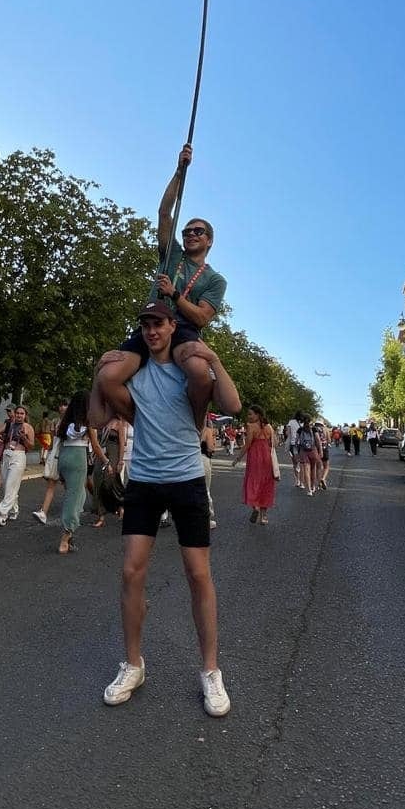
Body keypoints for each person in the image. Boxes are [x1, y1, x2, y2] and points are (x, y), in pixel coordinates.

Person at [101, 301, 240, 717]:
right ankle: (133, 664)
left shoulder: (189, 374)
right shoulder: (134, 374)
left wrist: (212, 356)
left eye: (157, 323)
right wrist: (98, 371)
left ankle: (211, 671)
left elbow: (232, 405)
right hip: (144, 480)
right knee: (130, 572)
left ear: (171, 325)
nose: (151, 331)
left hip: (186, 480)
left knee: (198, 575)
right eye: (144, 324)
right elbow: (101, 410)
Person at [90, 146, 228, 431]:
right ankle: (140, 422)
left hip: (183, 330)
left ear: (210, 240)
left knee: (200, 371)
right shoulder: (171, 256)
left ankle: (197, 419)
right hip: (152, 324)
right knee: (108, 376)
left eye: (198, 231)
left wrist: (175, 295)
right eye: (187, 231)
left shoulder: (215, 280)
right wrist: (180, 171)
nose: (190, 234)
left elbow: (202, 318)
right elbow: (164, 212)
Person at [54, 392, 91, 554]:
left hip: (64, 456)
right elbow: (95, 445)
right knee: (74, 498)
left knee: (79, 495)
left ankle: (70, 537)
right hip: (77, 457)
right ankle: (66, 536)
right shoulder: (87, 423)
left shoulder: (64, 423)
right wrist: (105, 461)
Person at [0, 404, 36, 526]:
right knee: (8, 485)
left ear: (25, 415)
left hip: (18, 456)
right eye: (17, 413)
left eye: (22, 413)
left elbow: (31, 446)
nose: (19, 415)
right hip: (6, 454)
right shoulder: (9, 424)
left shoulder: (28, 427)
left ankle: (3, 514)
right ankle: (14, 510)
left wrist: (24, 438)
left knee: (11, 484)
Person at [235, 405, 277, 524]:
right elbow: (275, 443)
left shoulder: (251, 427)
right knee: (266, 484)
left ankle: (256, 507)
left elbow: (247, 445)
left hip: (255, 458)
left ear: (257, 415)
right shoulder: (269, 427)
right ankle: (264, 517)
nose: (248, 416)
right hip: (267, 458)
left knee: (253, 482)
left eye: (250, 414)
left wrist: (237, 458)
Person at [34, 403, 68, 525]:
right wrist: (48, 455)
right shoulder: (55, 421)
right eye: (60, 405)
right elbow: (54, 441)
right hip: (55, 454)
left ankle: (74, 508)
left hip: (67, 454)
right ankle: (43, 512)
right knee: (51, 483)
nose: (62, 407)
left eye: (65, 405)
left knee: (68, 486)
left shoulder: (73, 422)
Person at [93, 417, 130, 529]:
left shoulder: (119, 424)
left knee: (110, 483)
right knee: (98, 482)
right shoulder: (101, 422)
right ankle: (101, 516)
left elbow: (122, 443)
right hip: (101, 455)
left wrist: (120, 461)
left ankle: (120, 505)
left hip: (114, 454)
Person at [295, 416, 318, 496]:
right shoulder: (314, 429)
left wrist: (297, 452)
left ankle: (309, 490)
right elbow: (317, 440)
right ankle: (313, 486)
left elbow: (296, 441)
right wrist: (320, 450)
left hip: (303, 451)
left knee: (306, 470)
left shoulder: (300, 430)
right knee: (313, 469)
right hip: (313, 451)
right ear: (310, 421)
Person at [284, 413, 301, 486]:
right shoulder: (303, 422)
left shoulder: (291, 422)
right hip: (302, 445)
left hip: (293, 444)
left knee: (295, 463)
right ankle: (302, 481)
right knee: (302, 463)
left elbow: (288, 433)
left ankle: (297, 480)